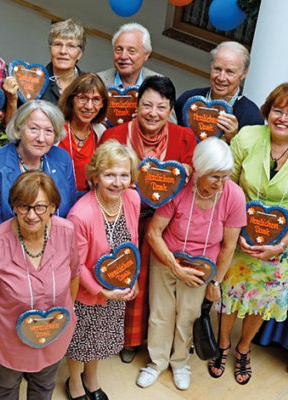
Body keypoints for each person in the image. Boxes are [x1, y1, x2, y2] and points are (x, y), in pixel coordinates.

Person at [137, 137, 246, 391]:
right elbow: (154, 233)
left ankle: (180, 363)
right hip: (167, 258)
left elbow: (229, 246)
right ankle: (156, 362)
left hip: (202, 267)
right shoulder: (180, 188)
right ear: (199, 170)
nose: (221, 183)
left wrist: (216, 281)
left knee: (188, 315)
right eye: (215, 177)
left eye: (225, 177)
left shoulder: (234, 196)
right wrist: (175, 267)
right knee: (161, 314)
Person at [100, 75, 196, 363]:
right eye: (147, 105)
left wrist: (185, 170)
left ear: (170, 110)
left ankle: (145, 342)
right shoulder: (115, 136)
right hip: (122, 218)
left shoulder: (184, 137)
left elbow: (191, 174)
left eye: (161, 107)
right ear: (137, 105)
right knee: (121, 275)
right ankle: (119, 339)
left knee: (154, 287)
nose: (153, 113)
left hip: (164, 224)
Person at [0, 171, 80, 400]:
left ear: (52, 207)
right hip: (10, 339)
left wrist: (67, 313)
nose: (32, 215)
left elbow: (74, 274)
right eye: (24, 206)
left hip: (52, 333)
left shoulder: (66, 232)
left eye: (40, 207)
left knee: (44, 385)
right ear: (14, 207)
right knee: (5, 387)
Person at [210, 83, 288, 385]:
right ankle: (223, 345)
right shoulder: (247, 136)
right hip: (238, 236)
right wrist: (235, 230)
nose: (282, 117)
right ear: (268, 111)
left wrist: (280, 246)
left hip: (279, 247)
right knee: (230, 297)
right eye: (278, 110)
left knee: (261, 300)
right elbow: (226, 184)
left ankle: (244, 349)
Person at [65, 141, 140, 400]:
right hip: (86, 293)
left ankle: (92, 379)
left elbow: (133, 244)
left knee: (100, 337)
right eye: (110, 175)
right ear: (95, 176)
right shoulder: (81, 214)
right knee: (80, 341)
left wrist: (134, 277)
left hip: (118, 287)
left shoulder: (132, 198)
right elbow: (77, 266)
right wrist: (102, 291)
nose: (117, 182)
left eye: (124, 174)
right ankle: (74, 382)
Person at [0, 100, 76, 231]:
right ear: (19, 128)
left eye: (49, 131)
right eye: (34, 129)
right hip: (10, 243)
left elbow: (70, 210)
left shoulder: (61, 158)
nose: (41, 138)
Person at [175, 41, 264, 143]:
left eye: (230, 72)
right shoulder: (188, 99)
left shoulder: (252, 117)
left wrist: (233, 139)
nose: (221, 78)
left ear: (244, 74)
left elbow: (250, 157)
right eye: (217, 69)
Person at [3, 18, 86, 123]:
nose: (63, 51)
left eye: (71, 46)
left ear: (80, 54)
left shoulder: (88, 83)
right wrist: (12, 100)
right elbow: (13, 129)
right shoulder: (33, 80)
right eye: (57, 44)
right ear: (50, 49)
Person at [58, 72, 108, 194]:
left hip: (88, 203)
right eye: (82, 98)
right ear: (71, 100)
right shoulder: (55, 129)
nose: (89, 106)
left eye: (96, 99)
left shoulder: (101, 132)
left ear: (102, 104)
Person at [97, 23, 159, 89]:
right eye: (119, 50)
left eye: (131, 51)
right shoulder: (97, 81)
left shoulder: (159, 84)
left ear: (146, 55)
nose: (123, 56)